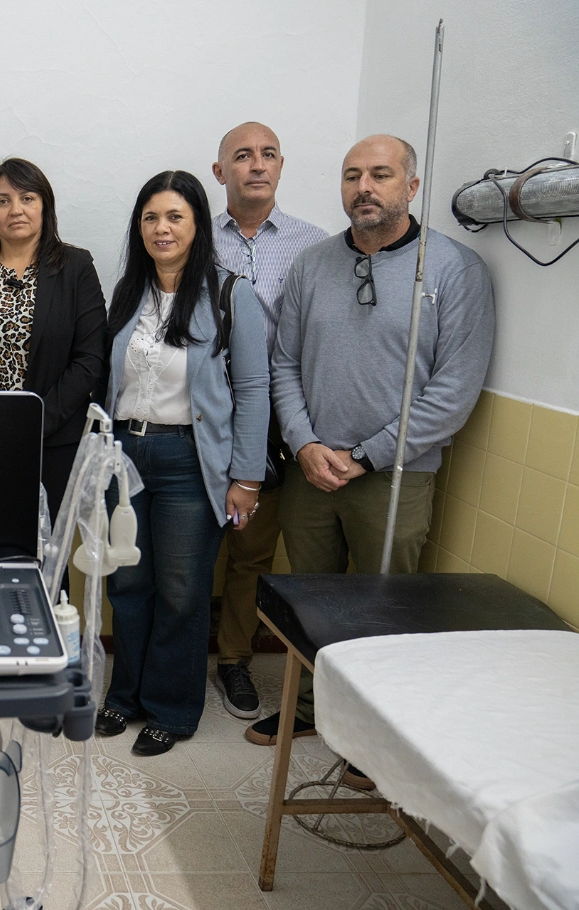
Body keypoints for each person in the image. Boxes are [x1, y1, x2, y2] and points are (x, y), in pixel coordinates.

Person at [247, 135, 495, 787]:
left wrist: (365, 455)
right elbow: (283, 365)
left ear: (411, 187)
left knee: (380, 610)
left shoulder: (452, 270)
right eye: (353, 174)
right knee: (311, 603)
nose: (365, 187)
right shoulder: (312, 265)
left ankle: (372, 734)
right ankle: (304, 707)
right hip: (311, 470)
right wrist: (304, 443)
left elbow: (455, 389)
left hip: (395, 475)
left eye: (381, 174)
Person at [95, 170, 269, 756]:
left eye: (175, 217)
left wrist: (246, 477)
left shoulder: (229, 293)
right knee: (128, 582)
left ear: (197, 224)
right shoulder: (127, 292)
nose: (162, 228)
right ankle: (125, 698)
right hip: (124, 454)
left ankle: (171, 708)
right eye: (151, 218)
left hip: (189, 461)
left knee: (181, 588)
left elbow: (253, 387)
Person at [209, 122, 328, 721]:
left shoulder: (316, 246)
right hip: (203, 417)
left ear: (282, 166)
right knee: (190, 543)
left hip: (279, 424)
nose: (256, 165)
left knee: (252, 550)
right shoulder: (190, 239)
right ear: (219, 171)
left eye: (269, 155)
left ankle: (233, 659)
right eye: (242, 156)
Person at [0, 158, 107, 519]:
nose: (16, 210)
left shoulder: (76, 268)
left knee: (50, 559)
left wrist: (33, 422)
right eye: (3, 200)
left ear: (45, 204)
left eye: (27, 198)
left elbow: (89, 359)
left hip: (56, 443)